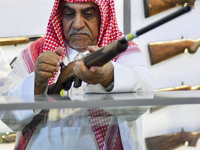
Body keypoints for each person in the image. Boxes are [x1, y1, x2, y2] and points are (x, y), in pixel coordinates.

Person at [0, 0, 154, 149]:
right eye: (69, 14)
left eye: (88, 14)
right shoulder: (35, 52)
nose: (77, 24)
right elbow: (7, 114)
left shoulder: (123, 51)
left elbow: (142, 100)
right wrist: (37, 83)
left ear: (103, 15)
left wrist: (108, 76)